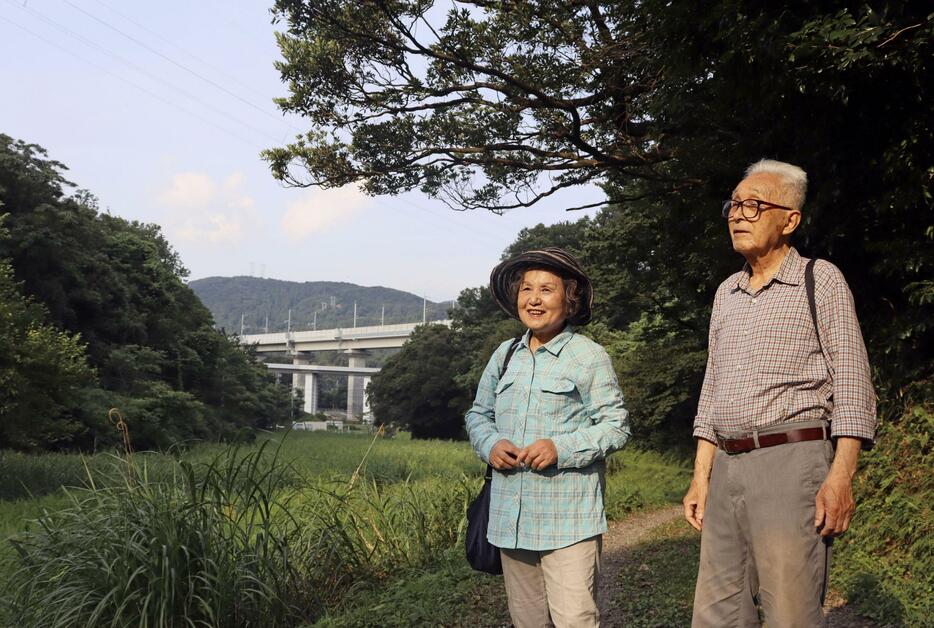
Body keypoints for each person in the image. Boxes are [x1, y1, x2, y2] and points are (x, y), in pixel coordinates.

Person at [683, 160, 877, 627]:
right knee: (717, 613)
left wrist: (841, 476)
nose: (737, 214)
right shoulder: (726, 292)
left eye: (754, 205)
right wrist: (701, 475)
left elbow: (852, 381)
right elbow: (713, 386)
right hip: (727, 465)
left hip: (792, 461)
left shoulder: (819, 279)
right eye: (733, 204)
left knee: (790, 610)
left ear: (789, 219)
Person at [465, 247, 631, 628]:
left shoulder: (589, 356)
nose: (534, 299)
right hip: (511, 521)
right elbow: (478, 413)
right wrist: (490, 444)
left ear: (568, 299)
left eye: (546, 290)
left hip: (568, 522)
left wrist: (562, 447)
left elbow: (616, 424)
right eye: (526, 289)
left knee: (575, 620)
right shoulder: (505, 355)